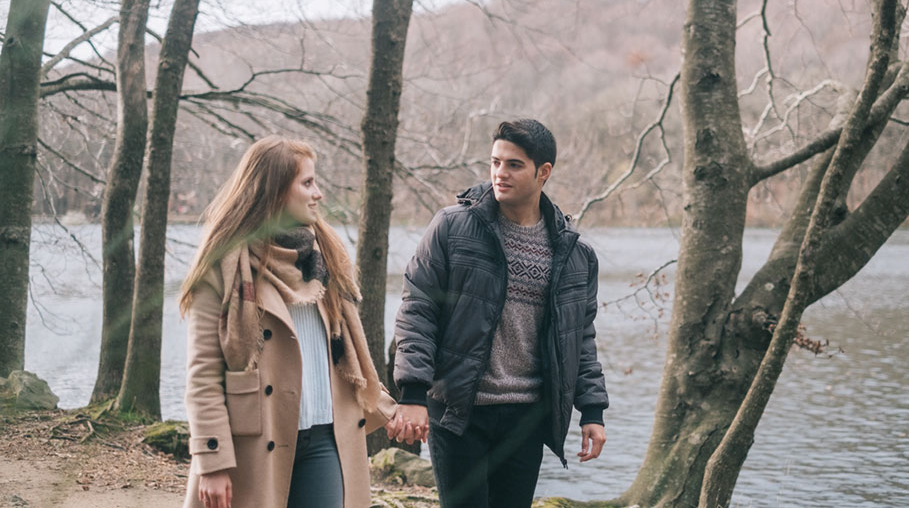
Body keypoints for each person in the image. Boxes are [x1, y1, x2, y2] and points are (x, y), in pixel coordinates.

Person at [389, 119, 609, 508]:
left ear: (544, 172)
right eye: (495, 162)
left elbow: (580, 337)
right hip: (459, 412)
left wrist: (592, 409)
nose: (499, 174)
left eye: (513, 165)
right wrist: (412, 392)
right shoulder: (452, 228)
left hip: (525, 419)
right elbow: (417, 312)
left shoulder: (574, 254)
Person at [180, 136, 396, 508]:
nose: (319, 194)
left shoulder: (324, 257)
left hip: (326, 438)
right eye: (308, 183)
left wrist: (390, 408)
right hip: (253, 443)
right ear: (277, 191)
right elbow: (202, 377)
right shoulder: (224, 268)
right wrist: (212, 462)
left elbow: (342, 355)